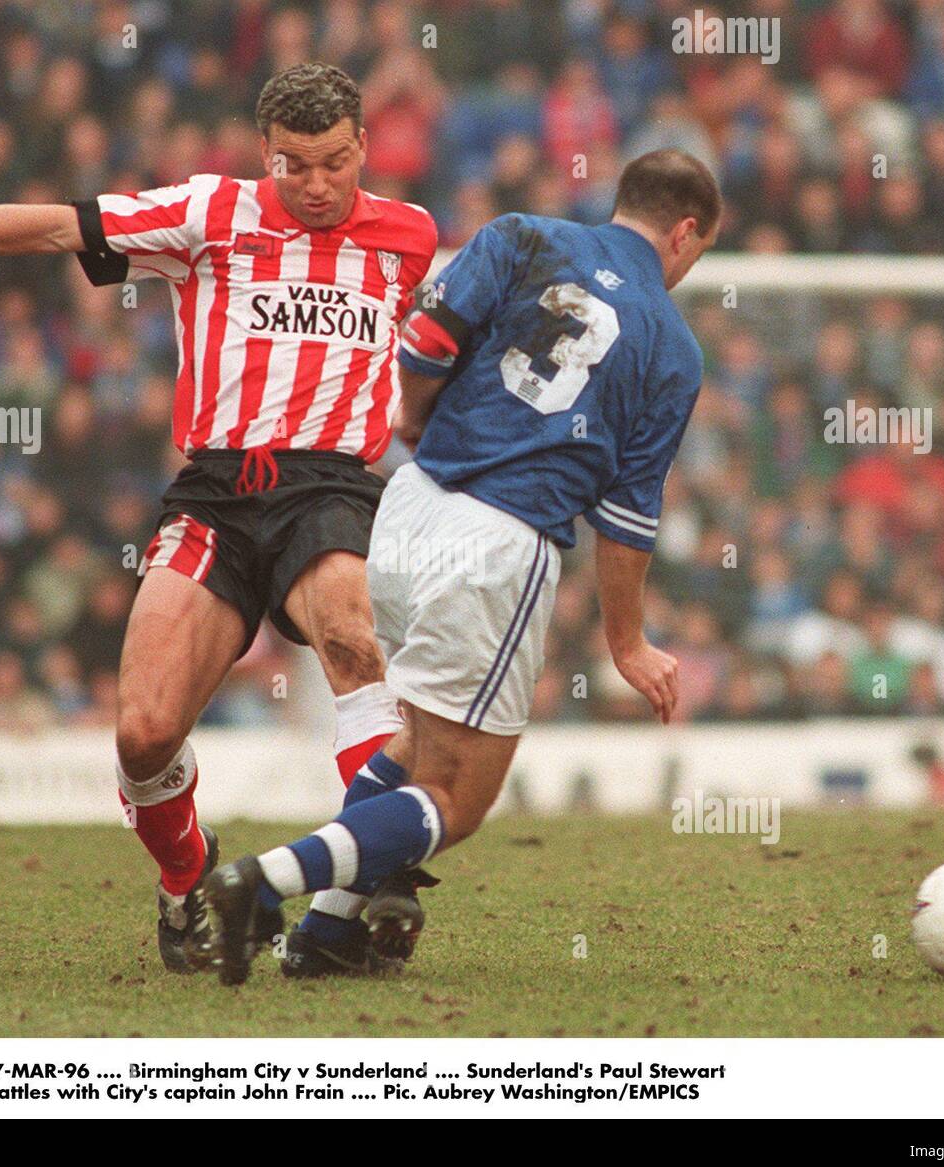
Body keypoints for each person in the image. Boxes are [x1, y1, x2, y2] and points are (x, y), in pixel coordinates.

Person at [0, 62, 441, 974]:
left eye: (335, 164)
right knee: (143, 732)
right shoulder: (212, 211)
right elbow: (58, 225)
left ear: (364, 150)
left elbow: (452, 343)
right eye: (294, 165)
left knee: (352, 635)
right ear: (266, 154)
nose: (315, 185)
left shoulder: (411, 237)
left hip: (333, 488)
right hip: (219, 493)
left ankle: (376, 872)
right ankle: (187, 875)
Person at [204, 148, 721, 985]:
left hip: (409, 509)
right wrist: (628, 644)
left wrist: (414, 420)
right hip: (501, 543)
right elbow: (627, 519)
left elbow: (429, 336)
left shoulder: (520, 234)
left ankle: (327, 936)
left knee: (414, 744)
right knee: (461, 797)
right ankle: (264, 885)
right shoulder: (671, 345)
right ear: (686, 233)